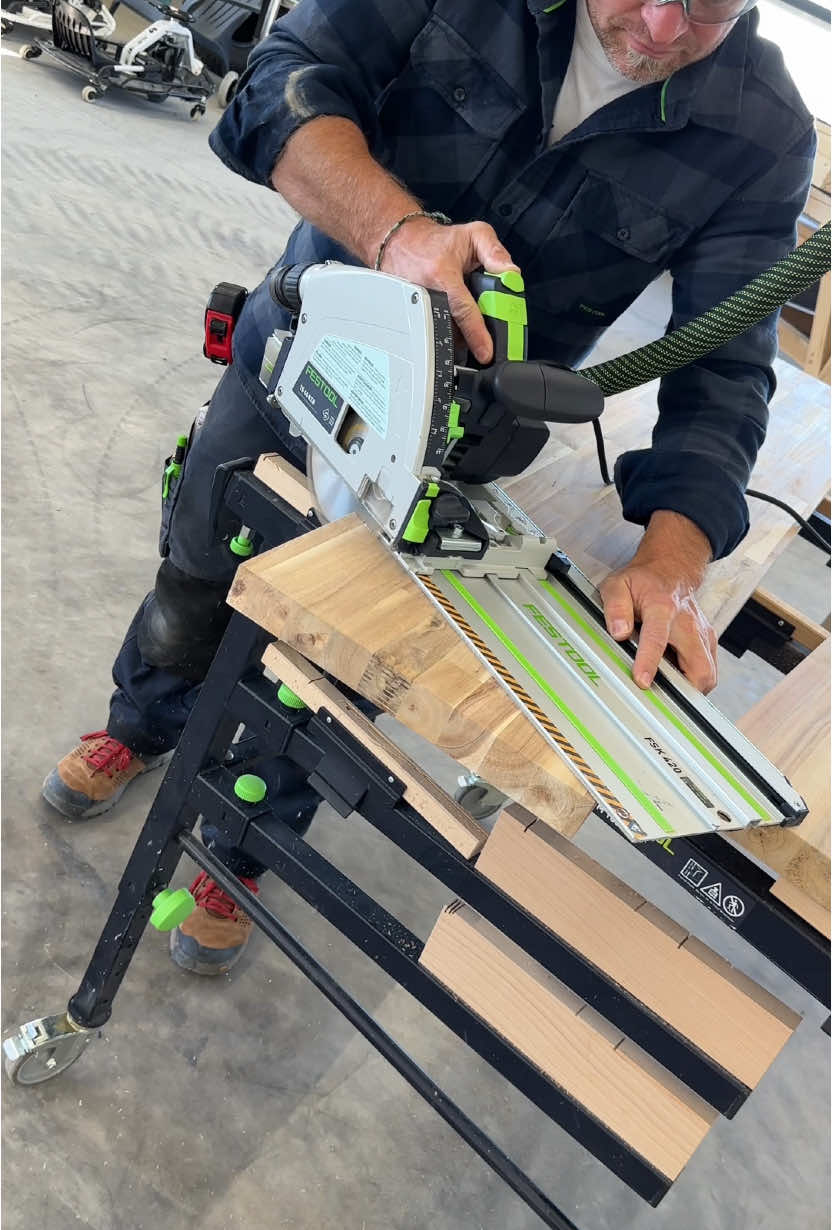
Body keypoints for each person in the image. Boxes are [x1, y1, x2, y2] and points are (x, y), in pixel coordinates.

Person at [42, 0, 814, 975]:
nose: (660, 29)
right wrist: (393, 230)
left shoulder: (762, 129)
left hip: (459, 446)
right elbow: (284, 83)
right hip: (303, 349)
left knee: (336, 664)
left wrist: (672, 560)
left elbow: (725, 363)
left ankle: (240, 847)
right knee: (198, 568)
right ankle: (141, 724)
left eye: (704, 8)